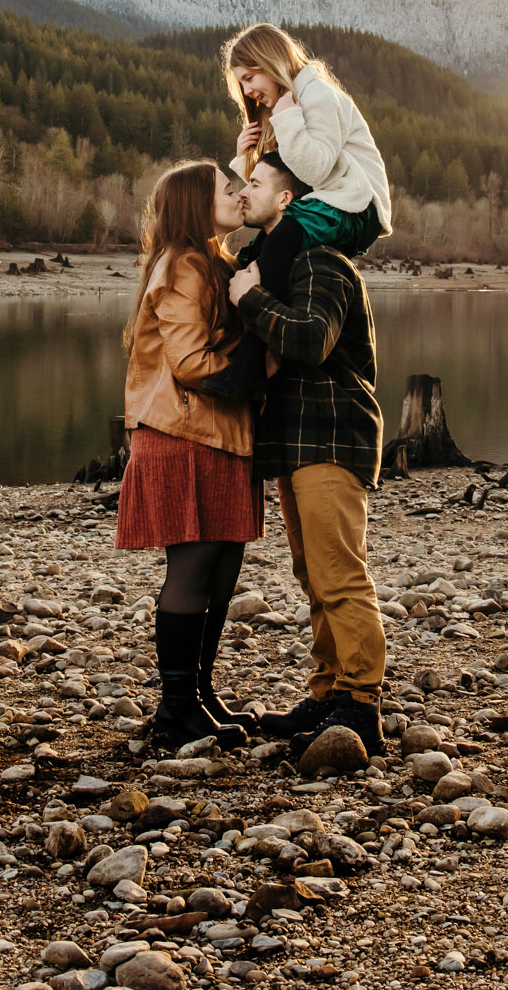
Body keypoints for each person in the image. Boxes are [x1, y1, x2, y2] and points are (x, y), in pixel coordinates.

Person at [227, 151, 387, 756]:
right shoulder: (278, 261)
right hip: (295, 441)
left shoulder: (321, 260)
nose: (244, 192)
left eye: (256, 183)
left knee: (340, 574)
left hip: (330, 433)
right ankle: (326, 692)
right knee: (311, 573)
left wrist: (250, 302)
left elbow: (312, 341)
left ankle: (361, 703)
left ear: (288, 200)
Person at [118, 159, 260, 749]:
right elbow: (190, 362)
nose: (239, 193)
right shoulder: (182, 266)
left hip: (219, 434)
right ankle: (175, 709)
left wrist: (247, 145)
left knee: (222, 571)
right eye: (227, 189)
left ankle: (198, 695)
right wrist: (259, 369)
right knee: (194, 570)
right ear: (196, 205)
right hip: (182, 434)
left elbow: (248, 187)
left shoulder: (211, 259)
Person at [223, 24, 393, 299]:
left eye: (250, 77)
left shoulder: (318, 96)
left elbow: (314, 170)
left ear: (271, 62)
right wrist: (245, 160)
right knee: (251, 256)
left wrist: (288, 118)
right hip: (329, 202)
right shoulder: (286, 106)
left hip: (358, 208)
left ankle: (267, 324)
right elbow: (283, 182)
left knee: (281, 240)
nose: (247, 89)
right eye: (241, 83)